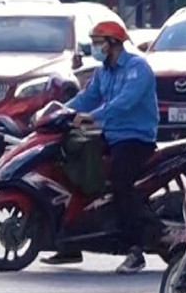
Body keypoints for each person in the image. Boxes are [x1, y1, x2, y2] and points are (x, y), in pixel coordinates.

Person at [50, 20, 160, 274]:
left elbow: (125, 102)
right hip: (110, 135)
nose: (95, 48)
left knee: (120, 182)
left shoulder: (137, 68)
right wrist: (60, 111)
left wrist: (93, 116)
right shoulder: (103, 72)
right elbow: (87, 97)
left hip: (136, 138)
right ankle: (70, 241)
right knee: (73, 166)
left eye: (98, 43)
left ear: (112, 44)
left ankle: (135, 249)